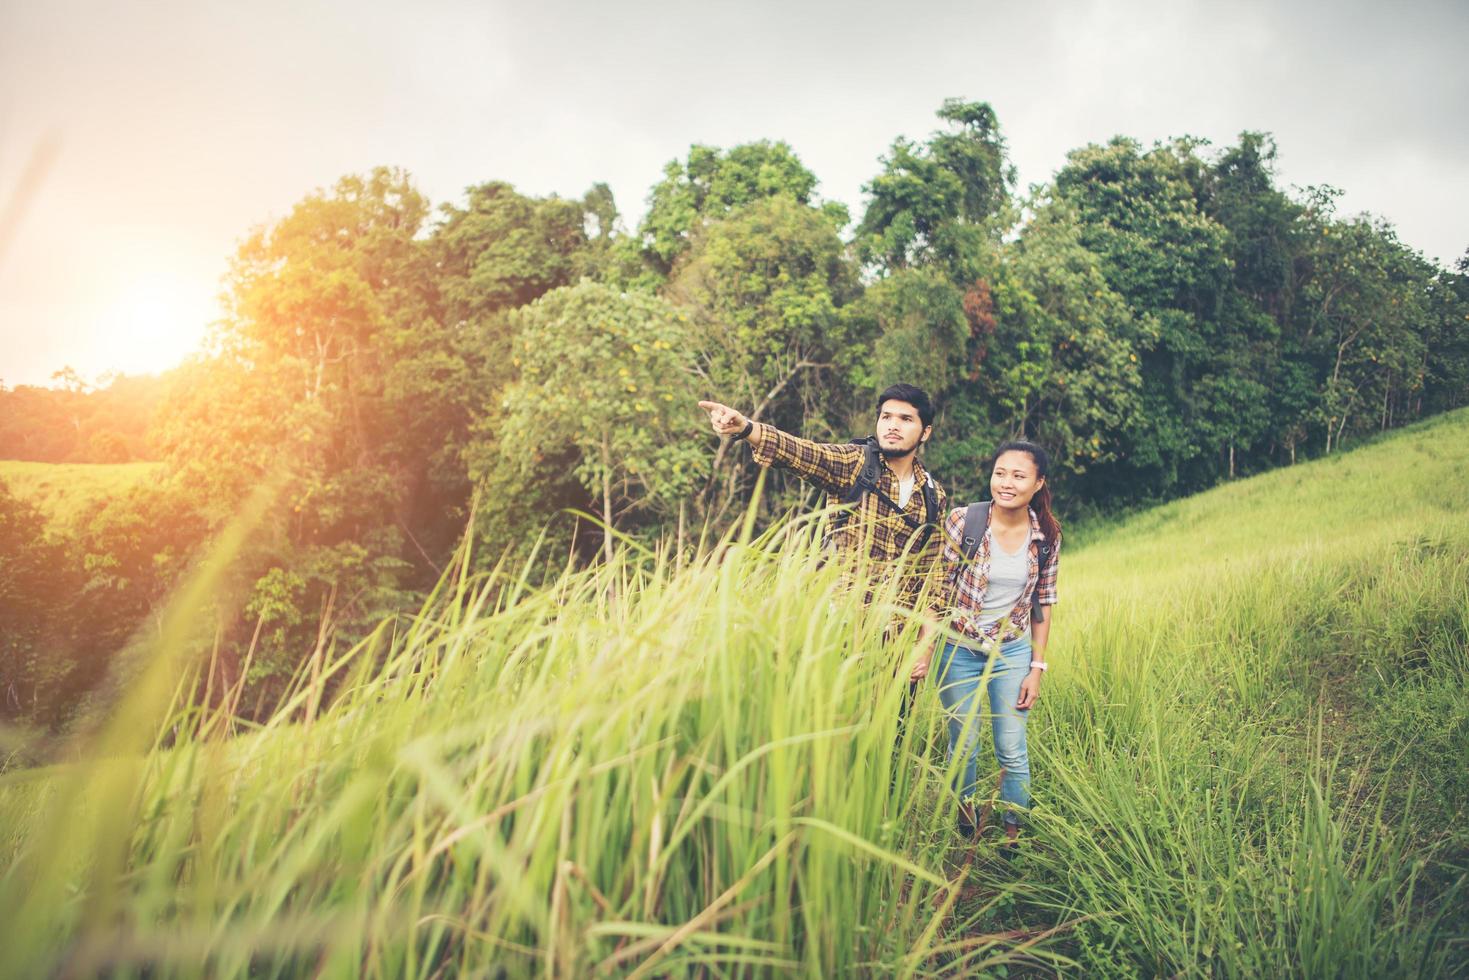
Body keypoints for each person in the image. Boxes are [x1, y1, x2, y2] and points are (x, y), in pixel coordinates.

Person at [697, 384, 949, 628]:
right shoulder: (856, 463)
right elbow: (804, 453)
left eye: (905, 419)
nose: (893, 426)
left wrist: (924, 648)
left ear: (925, 432)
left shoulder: (932, 496)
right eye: (886, 417)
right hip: (836, 622)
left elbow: (931, 576)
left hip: (893, 636)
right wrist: (746, 428)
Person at [912, 440, 1061, 848]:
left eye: (1019, 475)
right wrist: (924, 650)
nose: (1007, 483)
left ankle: (1012, 832)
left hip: (1010, 651)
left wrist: (1037, 667)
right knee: (963, 743)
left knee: (1011, 747)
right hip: (957, 649)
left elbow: (1043, 602)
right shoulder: (964, 521)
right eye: (1001, 473)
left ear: (1038, 483)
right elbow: (936, 591)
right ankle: (967, 819)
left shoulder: (1046, 534)